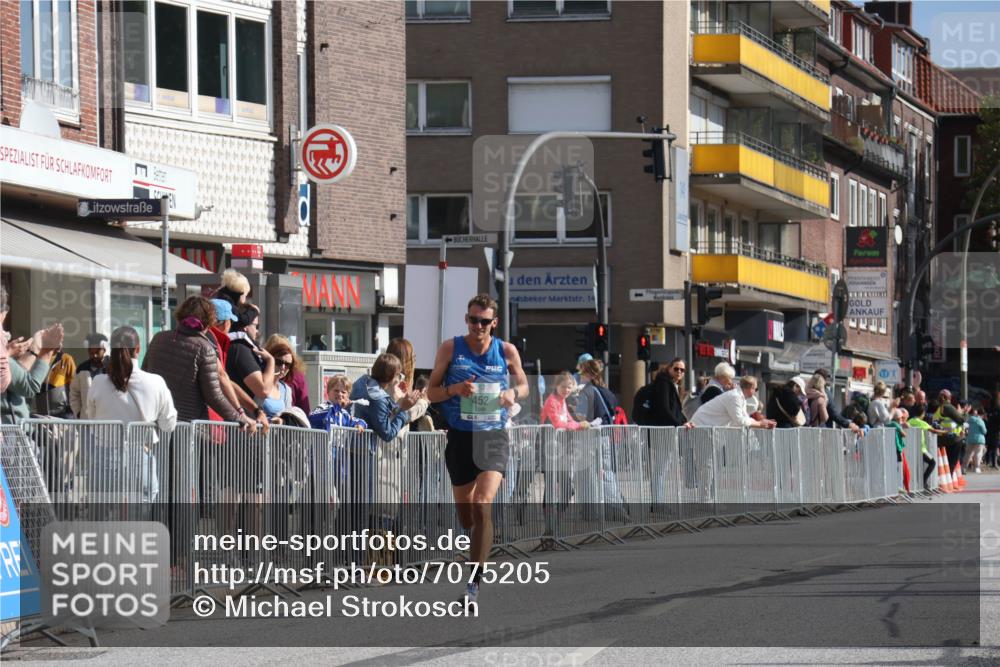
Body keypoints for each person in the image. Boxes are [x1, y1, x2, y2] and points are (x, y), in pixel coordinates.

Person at [425, 293, 529, 604]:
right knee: (466, 515)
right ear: (466, 319)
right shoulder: (450, 348)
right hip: (459, 436)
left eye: (484, 321)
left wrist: (513, 393)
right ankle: (472, 539)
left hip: (493, 436)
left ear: (494, 323)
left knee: (484, 504)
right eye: (473, 320)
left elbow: (523, 384)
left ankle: (473, 584)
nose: (478, 326)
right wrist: (454, 389)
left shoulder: (506, 351)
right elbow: (430, 393)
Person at [143, 296, 255, 429]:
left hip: (156, 421)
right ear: (209, 322)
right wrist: (238, 418)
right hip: (188, 426)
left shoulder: (158, 339)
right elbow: (214, 395)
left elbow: (145, 375)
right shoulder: (205, 348)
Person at [87, 326, 177, 433]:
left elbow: (92, 419)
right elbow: (168, 425)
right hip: (141, 447)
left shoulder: (98, 382)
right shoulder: (157, 382)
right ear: (138, 349)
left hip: (104, 448)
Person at [2, 320, 64, 426]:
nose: (5, 333)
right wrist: (46, 351)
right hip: (10, 433)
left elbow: (18, 376)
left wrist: (34, 349)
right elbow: (30, 386)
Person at [350, 352, 423, 442]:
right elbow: (388, 434)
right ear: (391, 376)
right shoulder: (378, 399)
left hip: (348, 446)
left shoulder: (362, 385)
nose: (399, 380)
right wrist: (403, 410)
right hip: (364, 450)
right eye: (398, 375)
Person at [226, 304, 276, 407]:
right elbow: (263, 390)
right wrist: (271, 361)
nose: (257, 331)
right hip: (242, 417)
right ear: (245, 326)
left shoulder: (236, 346)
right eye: (255, 326)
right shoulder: (240, 349)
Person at [689, 376, 776, 429]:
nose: (755, 392)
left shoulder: (739, 396)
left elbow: (745, 418)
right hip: (702, 427)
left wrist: (763, 422)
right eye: (756, 389)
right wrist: (760, 424)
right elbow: (740, 421)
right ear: (751, 388)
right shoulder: (735, 396)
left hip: (705, 428)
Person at [264, 334, 310, 414]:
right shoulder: (260, 378)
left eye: (287, 364)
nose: (283, 367)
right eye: (278, 362)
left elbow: (304, 408)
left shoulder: (295, 378)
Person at [70, 333, 108, 419]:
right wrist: (78, 413)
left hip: (107, 422)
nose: (94, 355)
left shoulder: (112, 367)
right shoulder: (81, 369)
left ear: (104, 349)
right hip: (86, 422)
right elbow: (74, 392)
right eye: (91, 353)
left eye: (97, 352)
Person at [908, 403, 946, 489]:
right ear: (922, 413)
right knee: (932, 463)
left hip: (910, 449)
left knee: (915, 466)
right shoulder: (922, 423)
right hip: (922, 449)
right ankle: (923, 482)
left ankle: (918, 484)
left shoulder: (909, 421)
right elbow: (934, 431)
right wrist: (945, 432)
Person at [35, 342, 75, 418]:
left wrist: (72, 407)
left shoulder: (66, 359)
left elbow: (75, 386)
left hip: (62, 412)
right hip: (42, 413)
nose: (59, 344)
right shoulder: (39, 360)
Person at [933, 389, 966, 477]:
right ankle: (949, 478)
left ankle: (946, 478)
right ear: (949, 397)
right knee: (951, 461)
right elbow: (961, 420)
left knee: (946, 461)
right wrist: (963, 412)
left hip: (943, 438)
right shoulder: (948, 407)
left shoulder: (939, 407)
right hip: (953, 439)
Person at [576, 359, 619, 425]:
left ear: (588, 374)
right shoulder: (609, 393)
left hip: (591, 433)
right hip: (607, 432)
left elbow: (580, 416)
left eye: (582, 373)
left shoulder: (585, 392)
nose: (580, 375)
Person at [649, 358, 687, 427]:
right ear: (669, 369)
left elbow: (677, 411)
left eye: (682, 370)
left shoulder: (674, 385)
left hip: (669, 428)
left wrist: (685, 422)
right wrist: (680, 424)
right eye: (676, 369)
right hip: (661, 429)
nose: (679, 371)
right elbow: (664, 408)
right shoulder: (663, 383)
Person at [964, 407, 988, 473]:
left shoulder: (968, 420)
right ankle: (976, 468)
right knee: (978, 454)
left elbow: (965, 429)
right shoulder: (980, 421)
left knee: (968, 454)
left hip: (970, 439)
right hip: (979, 439)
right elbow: (984, 431)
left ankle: (964, 468)